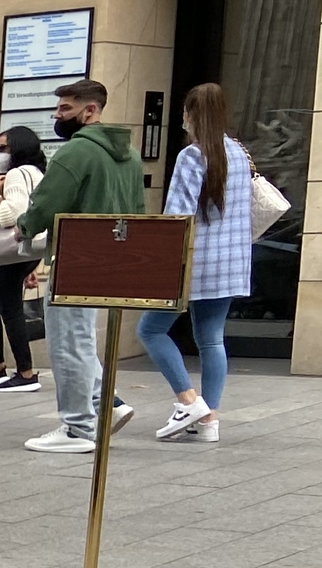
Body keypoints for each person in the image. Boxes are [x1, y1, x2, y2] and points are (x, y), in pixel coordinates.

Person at [18, 78, 143, 455]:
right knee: (82, 338)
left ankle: (78, 427)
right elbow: (137, 211)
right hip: (108, 258)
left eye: (66, 109)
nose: (58, 116)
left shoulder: (76, 153)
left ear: (91, 111)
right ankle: (110, 404)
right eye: (58, 109)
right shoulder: (131, 156)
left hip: (74, 257)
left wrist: (24, 227)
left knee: (68, 342)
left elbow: (46, 202)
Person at [143, 82, 252, 444]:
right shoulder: (237, 152)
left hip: (194, 260)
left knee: (150, 329)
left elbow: (178, 216)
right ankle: (210, 422)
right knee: (211, 339)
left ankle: (188, 401)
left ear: (190, 114)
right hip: (230, 262)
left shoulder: (192, 156)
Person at [0, 126, 48, 391]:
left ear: (18, 149)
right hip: (24, 253)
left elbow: (12, 216)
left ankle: (25, 373)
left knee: (9, 309)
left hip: (13, 251)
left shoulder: (16, 174)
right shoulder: (37, 173)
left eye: (3, 148)